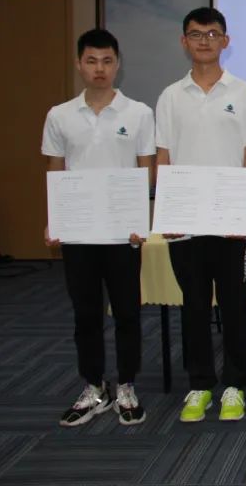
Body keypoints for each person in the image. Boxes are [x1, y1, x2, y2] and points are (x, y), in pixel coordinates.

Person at [155, 7, 246, 423]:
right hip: (186, 221)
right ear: (184, 41)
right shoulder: (170, 96)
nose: (205, 41)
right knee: (194, 306)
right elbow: (163, 156)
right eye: (197, 34)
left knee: (235, 306)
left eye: (213, 33)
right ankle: (200, 385)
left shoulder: (244, 92)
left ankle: (235, 384)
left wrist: (242, 211)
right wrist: (167, 210)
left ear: (226, 41)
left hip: (230, 221)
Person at [43, 28, 155, 427]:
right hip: (79, 233)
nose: (99, 69)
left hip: (123, 234)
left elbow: (146, 171)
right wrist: (54, 220)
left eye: (107, 61)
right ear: (79, 64)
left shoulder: (138, 113)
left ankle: (126, 385)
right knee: (85, 313)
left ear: (117, 64)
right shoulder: (59, 115)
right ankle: (94, 386)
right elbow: (55, 171)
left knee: (127, 312)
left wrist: (141, 220)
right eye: (91, 61)